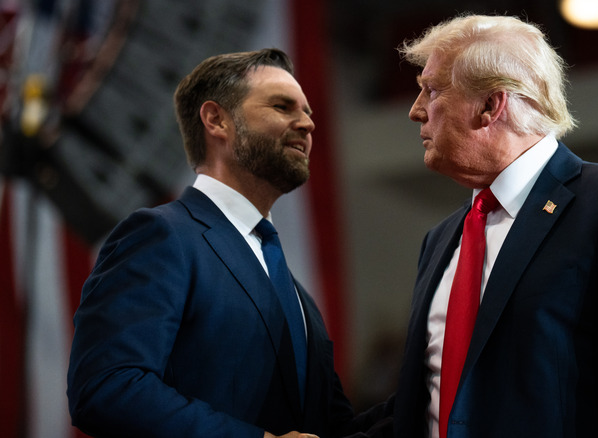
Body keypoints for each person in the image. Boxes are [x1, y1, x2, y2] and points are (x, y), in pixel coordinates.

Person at [390, 14, 598, 437]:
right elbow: (428, 404)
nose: (414, 110)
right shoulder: (439, 241)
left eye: (431, 89)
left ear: (490, 106)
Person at [67, 49, 380, 438]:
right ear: (217, 120)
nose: (306, 124)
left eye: (309, 113)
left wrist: (436, 388)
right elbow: (106, 388)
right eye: (283, 106)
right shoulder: (161, 236)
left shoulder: (297, 295)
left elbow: (330, 429)